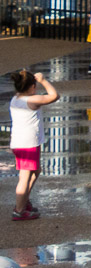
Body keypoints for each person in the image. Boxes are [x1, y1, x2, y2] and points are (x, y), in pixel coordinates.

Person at [9, 69, 57, 221]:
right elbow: (55, 96)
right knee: (25, 177)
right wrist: (44, 80)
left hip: (21, 143)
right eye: (35, 85)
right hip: (27, 144)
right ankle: (19, 210)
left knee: (35, 171)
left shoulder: (16, 98)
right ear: (31, 87)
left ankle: (23, 202)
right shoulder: (31, 100)